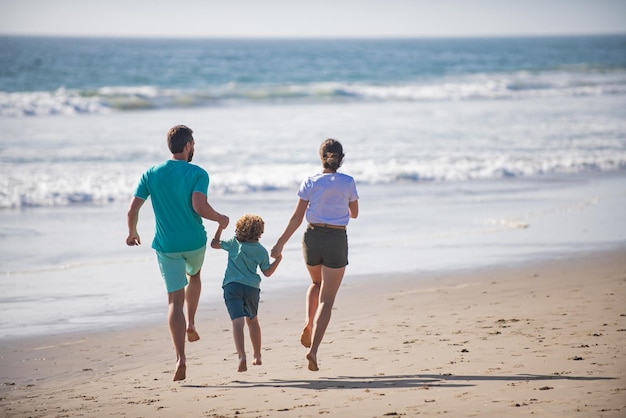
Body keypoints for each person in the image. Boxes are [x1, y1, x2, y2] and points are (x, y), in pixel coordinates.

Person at [126, 125, 229, 382]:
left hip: (166, 246)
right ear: (188, 145)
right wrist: (220, 219)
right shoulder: (198, 173)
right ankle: (192, 323)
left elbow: (132, 210)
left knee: (174, 301)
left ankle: (180, 358)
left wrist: (132, 232)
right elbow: (199, 205)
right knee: (194, 276)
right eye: (193, 144)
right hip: (194, 242)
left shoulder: (151, 174)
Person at [271, 138, 359, 371]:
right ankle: (314, 351)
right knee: (327, 301)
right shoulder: (348, 182)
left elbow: (296, 218)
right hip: (336, 238)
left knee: (316, 282)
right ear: (341, 159)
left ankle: (308, 323)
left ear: (321, 157)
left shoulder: (310, 182)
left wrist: (279, 244)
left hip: (311, 237)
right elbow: (355, 213)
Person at [211, 214, 282, 372]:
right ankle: (257, 355)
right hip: (251, 288)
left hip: (231, 286)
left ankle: (241, 356)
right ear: (259, 233)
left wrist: (220, 228)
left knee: (237, 322)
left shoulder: (233, 243)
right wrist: (278, 259)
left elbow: (214, 244)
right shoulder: (261, 251)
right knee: (253, 320)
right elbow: (267, 272)